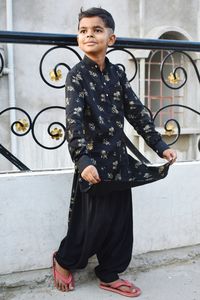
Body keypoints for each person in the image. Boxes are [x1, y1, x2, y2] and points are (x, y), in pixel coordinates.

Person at [52, 7, 177, 297]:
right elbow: (73, 123)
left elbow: (137, 112)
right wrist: (82, 160)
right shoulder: (77, 76)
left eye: (97, 30)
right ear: (78, 38)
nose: (89, 35)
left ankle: (109, 273)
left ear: (112, 38)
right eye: (83, 31)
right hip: (92, 166)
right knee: (88, 224)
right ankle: (63, 260)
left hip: (118, 161)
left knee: (120, 223)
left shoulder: (117, 74)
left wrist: (160, 146)